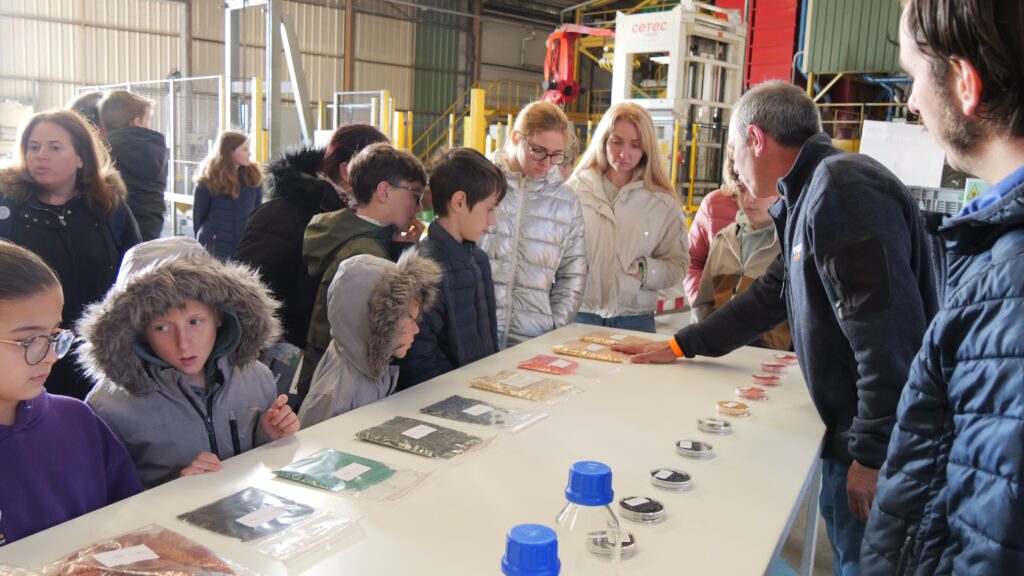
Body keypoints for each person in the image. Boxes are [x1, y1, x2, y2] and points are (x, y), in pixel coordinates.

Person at [614, 81, 937, 576]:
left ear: (756, 139)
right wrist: (682, 344)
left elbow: (886, 336)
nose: (736, 170)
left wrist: (872, 454)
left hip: (881, 442)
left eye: (736, 153)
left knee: (867, 561)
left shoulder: (842, 192)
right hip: (850, 431)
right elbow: (770, 295)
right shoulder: (808, 195)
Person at [861, 1, 1024, 573]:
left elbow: (992, 543)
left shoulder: (1010, 288)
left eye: (911, 76)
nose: (909, 102)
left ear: (963, 83)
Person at [77, 237, 298, 488]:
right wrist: (175, 489)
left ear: (219, 316)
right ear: (137, 331)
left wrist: (269, 437)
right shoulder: (107, 407)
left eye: (195, 322)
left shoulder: (257, 378)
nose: (183, 343)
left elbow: (261, 473)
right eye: (162, 327)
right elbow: (105, 498)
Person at [0, 241, 141, 547]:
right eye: (28, 341)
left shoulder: (77, 419)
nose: (51, 355)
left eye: (54, 335)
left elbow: (133, 523)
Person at [0, 109, 141, 400]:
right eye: (33, 146)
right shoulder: (8, 207)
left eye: (54, 147)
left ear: (81, 158)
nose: (40, 155)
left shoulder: (109, 207)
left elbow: (136, 275)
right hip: (26, 354)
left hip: (98, 351)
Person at [234, 124, 388, 349]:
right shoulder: (281, 214)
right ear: (347, 172)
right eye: (382, 174)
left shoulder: (358, 220)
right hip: (286, 360)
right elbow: (246, 296)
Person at [300, 143, 427, 403]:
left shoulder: (352, 234)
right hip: (344, 392)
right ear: (384, 191)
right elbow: (358, 334)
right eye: (415, 193)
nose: (420, 206)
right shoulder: (362, 253)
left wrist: (398, 248)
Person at [566, 101, 689, 333]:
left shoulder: (663, 203)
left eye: (635, 145)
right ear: (603, 141)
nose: (624, 153)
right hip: (580, 314)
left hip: (635, 319)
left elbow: (678, 264)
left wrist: (645, 272)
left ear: (646, 149)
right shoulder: (575, 191)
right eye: (616, 142)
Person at [398, 148, 506, 390]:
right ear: (459, 201)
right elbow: (417, 362)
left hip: (479, 395)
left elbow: (489, 343)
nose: (492, 220)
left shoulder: (478, 260)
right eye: (489, 209)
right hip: (444, 404)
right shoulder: (422, 268)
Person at [482, 101, 586, 348]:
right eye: (538, 150)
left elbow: (573, 274)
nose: (546, 163)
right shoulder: (480, 184)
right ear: (516, 138)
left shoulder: (566, 203)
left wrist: (554, 327)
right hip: (476, 336)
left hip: (533, 340)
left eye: (555, 155)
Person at [299, 249, 440, 427]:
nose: (417, 329)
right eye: (410, 318)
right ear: (378, 321)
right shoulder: (334, 395)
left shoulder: (369, 369)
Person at [691, 183, 790, 351]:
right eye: (742, 189)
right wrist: (699, 345)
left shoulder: (790, 244)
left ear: (781, 192)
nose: (748, 199)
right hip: (719, 353)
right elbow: (704, 303)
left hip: (770, 358)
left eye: (758, 191)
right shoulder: (723, 239)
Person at [99, 90, 169, 242]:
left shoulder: (102, 151)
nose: (148, 126)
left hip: (113, 232)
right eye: (148, 120)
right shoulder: (158, 150)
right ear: (137, 122)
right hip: (151, 230)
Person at [192, 131, 263, 261]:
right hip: (214, 248)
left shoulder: (253, 178)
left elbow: (257, 214)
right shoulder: (208, 180)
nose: (250, 153)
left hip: (245, 248)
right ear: (230, 152)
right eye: (245, 149)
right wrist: (206, 237)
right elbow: (198, 217)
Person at [684, 152, 741, 306]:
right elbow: (692, 261)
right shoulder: (713, 204)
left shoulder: (783, 205)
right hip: (714, 318)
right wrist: (701, 303)